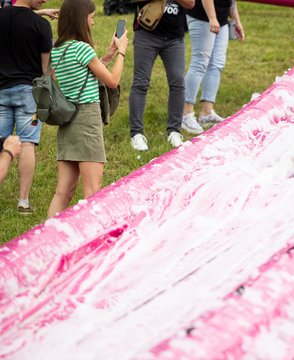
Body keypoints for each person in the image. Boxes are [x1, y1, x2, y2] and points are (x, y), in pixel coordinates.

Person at [47, 0, 129, 218]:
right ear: (81, 19)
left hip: (68, 122)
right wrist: (121, 52)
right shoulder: (83, 48)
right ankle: (93, 241)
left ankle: (47, 240)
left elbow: (81, 74)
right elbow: (112, 81)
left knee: (62, 193)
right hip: (86, 120)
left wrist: (107, 56)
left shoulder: (58, 49)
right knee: (93, 192)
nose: (93, 22)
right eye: (91, 17)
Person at [0, 0, 54, 214]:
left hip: (1, 91)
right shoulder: (41, 25)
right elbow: (45, 68)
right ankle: (23, 202)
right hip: (29, 95)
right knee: (28, 144)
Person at [128, 0, 195, 151]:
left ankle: (174, 131)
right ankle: (136, 134)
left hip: (175, 37)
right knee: (141, 82)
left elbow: (191, 3)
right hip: (146, 33)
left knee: (178, 82)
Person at [181, 0, 245, 135]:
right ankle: (186, 114)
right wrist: (212, 18)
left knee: (217, 64)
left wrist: (236, 21)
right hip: (202, 16)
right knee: (199, 63)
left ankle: (207, 113)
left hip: (221, 20)